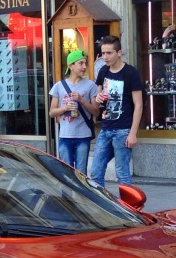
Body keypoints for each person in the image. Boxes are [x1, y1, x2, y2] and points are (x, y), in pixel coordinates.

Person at [88, 35, 144, 190]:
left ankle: (127, 209)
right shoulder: (103, 72)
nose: (105, 57)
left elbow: (138, 105)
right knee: (95, 171)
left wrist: (133, 133)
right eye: (103, 53)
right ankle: (102, 207)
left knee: (122, 173)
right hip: (106, 128)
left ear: (119, 52)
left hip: (123, 129)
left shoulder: (131, 73)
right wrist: (98, 98)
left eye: (109, 53)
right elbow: (98, 98)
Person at [48, 49, 99, 172]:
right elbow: (51, 113)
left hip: (83, 135)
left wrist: (81, 100)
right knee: (66, 172)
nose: (84, 67)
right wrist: (65, 108)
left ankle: (80, 192)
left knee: (81, 172)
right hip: (65, 135)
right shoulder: (59, 86)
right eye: (80, 63)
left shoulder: (91, 85)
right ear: (71, 66)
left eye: (85, 63)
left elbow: (96, 111)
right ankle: (65, 193)